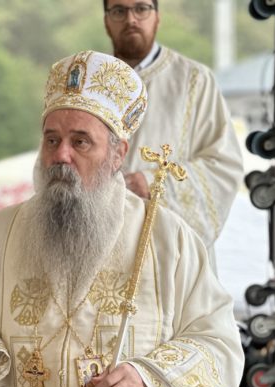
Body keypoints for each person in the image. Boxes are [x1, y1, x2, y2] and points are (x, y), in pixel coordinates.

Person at [0, 51, 243, 387]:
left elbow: (216, 340)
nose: (61, 156)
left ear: (118, 154)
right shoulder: (1, 232)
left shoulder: (167, 238)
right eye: (52, 140)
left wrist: (147, 378)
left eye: (80, 141)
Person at [103, 0, 244, 267]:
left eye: (141, 8)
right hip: (102, 243)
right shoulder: (91, 81)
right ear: (106, 21)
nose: (131, 19)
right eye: (119, 11)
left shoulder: (195, 80)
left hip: (171, 253)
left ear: (157, 17)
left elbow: (224, 166)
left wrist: (153, 183)